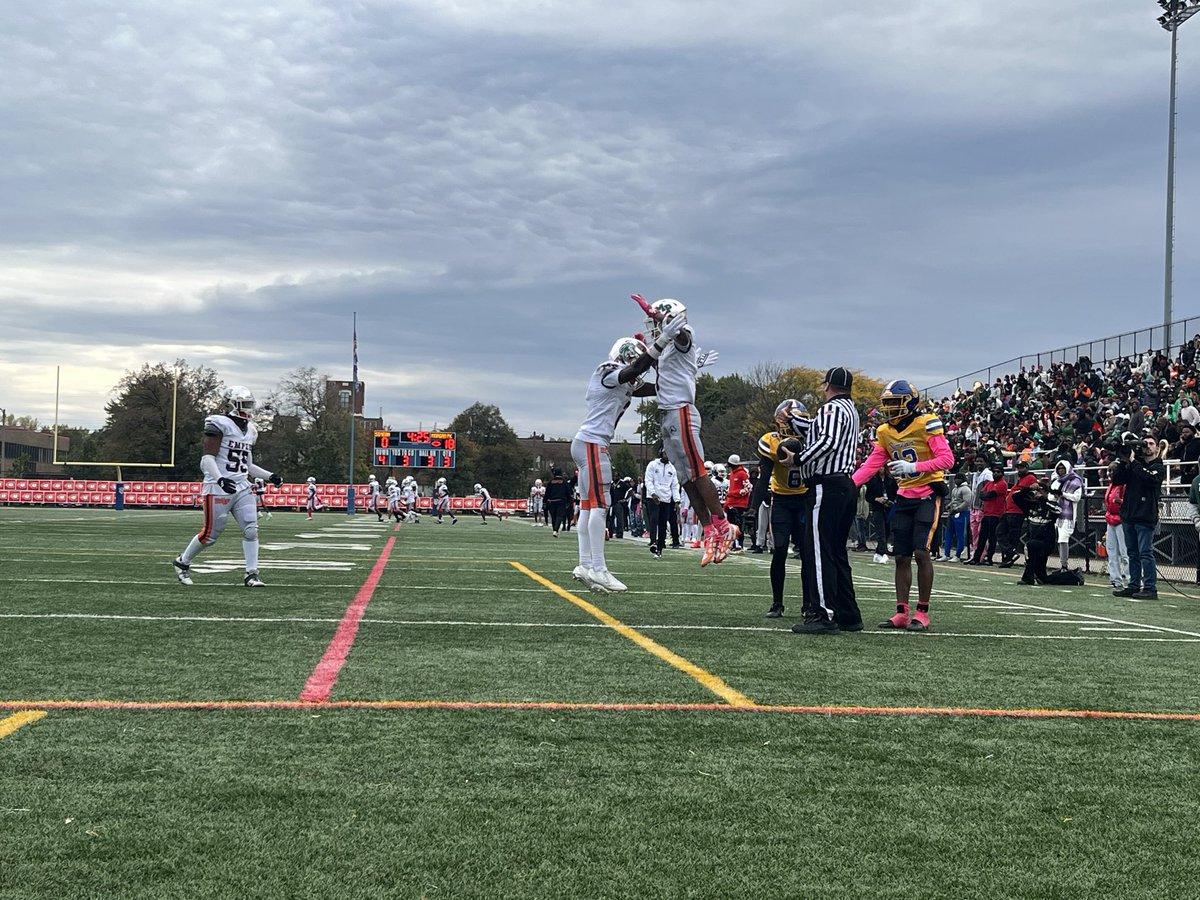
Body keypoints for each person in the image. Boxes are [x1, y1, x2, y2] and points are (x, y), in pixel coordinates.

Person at [626, 295, 736, 565]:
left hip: (682, 411)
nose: (654, 327)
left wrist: (665, 320)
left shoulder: (684, 338)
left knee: (698, 472)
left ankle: (724, 525)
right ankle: (709, 530)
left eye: (657, 320)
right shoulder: (665, 351)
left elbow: (684, 337)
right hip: (668, 414)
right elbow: (658, 379)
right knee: (686, 478)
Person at [852, 380, 955, 632]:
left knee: (921, 552)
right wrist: (849, 485)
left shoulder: (927, 422)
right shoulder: (885, 431)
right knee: (900, 556)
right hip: (905, 495)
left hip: (929, 493)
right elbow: (872, 464)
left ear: (910, 401)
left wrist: (914, 467)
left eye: (894, 403)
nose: (889, 408)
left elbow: (947, 459)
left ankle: (922, 612)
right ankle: (901, 612)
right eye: (886, 403)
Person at [778, 366, 863, 634]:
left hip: (826, 485)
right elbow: (817, 429)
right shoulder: (849, 409)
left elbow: (827, 440)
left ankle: (823, 614)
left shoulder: (831, 409)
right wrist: (794, 421)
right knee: (836, 551)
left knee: (818, 550)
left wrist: (798, 459)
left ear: (827, 386)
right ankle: (848, 613)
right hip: (844, 483)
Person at [172, 385, 282, 588]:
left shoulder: (250, 430)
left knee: (251, 529)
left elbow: (247, 466)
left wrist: (270, 476)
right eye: (244, 405)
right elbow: (207, 459)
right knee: (211, 535)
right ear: (231, 405)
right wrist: (221, 479)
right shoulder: (219, 424)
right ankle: (182, 562)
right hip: (217, 486)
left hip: (241, 486)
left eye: (250, 404)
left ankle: (251, 574)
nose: (248, 409)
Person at [570, 336, 657, 592]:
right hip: (593, 443)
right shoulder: (607, 370)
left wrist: (683, 367)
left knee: (587, 507)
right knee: (599, 506)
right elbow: (636, 369)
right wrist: (659, 344)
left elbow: (656, 386)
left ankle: (585, 564)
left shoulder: (623, 380)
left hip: (587, 442)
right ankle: (599, 568)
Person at [758, 399, 813, 619]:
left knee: (807, 554)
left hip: (804, 501)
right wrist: (753, 507)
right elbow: (763, 479)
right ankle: (777, 603)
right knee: (779, 549)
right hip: (781, 500)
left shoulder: (812, 442)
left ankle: (808, 603)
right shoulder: (771, 441)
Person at [1112, 437, 1167, 599]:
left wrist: (1133, 461)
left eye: (1151, 444)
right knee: (1132, 553)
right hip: (1129, 514)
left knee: (1145, 552)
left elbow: (1150, 478)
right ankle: (1134, 585)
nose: (1147, 447)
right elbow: (1117, 480)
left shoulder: (1158, 466)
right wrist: (1123, 461)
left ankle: (1150, 587)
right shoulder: (1135, 465)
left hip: (1145, 515)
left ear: (1157, 448)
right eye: (1145, 444)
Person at [1011, 476, 1059, 585]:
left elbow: (1058, 510)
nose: (1036, 493)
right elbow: (1015, 496)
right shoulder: (1030, 505)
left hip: (1045, 543)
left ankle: (1027, 578)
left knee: (1030, 545)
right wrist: (1028, 489)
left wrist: (1042, 498)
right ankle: (1073, 577)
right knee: (1043, 578)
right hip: (1034, 541)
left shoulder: (1049, 505)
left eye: (1039, 491)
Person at [998, 461, 1037, 567]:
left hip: (1017, 511)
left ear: (1027, 468)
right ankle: (1010, 553)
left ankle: (1009, 557)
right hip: (1009, 510)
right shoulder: (1020, 479)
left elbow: (1029, 493)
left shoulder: (1030, 478)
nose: (1019, 470)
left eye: (1022, 467)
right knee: (1000, 532)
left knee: (1012, 535)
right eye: (1018, 467)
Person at [969, 464, 1007, 566]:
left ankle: (989, 558)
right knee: (982, 537)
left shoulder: (1003, 484)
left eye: (998, 472)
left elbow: (990, 494)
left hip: (996, 514)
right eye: (994, 471)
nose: (995, 473)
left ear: (1002, 473)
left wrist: (987, 495)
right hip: (987, 513)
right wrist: (987, 495)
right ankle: (977, 557)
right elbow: (981, 494)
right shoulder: (990, 483)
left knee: (992, 537)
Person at [1050, 460, 1084, 570]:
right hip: (1056, 513)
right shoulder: (1056, 481)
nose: (1061, 471)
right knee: (1058, 538)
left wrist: (1063, 494)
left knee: (1063, 538)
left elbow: (1077, 497)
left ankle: (1064, 565)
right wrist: (1055, 495)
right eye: (1059, 468)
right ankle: (1061, 563)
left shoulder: (1076, 481)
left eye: (1063, 468)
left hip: (1068, 514)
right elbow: (1050, 496)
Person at [643, 448, 677, 559]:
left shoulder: (672, 468)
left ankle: (660, 546)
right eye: (665, 453)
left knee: (663, 523)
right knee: (654, 519)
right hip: (653, 497)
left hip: (666, 498)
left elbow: (675, 485)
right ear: (661, 453)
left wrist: (676, 500)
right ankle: (653, 541)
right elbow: (648, 480)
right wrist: (653, 494)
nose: (667, 456)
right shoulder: (653, 465)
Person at [1103, 469, 1128, 591]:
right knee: (1112, 551)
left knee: (1125, 552)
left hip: (1122, 520)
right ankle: (1115, 579)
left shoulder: (1125, 485)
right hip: (1110, 519)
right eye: (1110, 472)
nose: (1110, 474)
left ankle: (1132, 579)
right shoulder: (1111, 486)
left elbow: (1130, 502)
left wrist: (1121, 501)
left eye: (1113, 472)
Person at [942, 473, 972, 561]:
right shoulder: (955, 489)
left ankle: (957, 555)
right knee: (948, 533)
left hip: (962, 513)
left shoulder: (966, 489)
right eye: (955, 479)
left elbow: (967, 502)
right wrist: (949, 505)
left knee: (960, 534)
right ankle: (946, 554)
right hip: (953, 513)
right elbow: (954, 500)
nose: (956, 480)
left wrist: (957, 509)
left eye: (958, 479)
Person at [724, 454, 751, 551]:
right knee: (731, 525)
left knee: (738, 524)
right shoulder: (732, 474)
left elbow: (748, 488)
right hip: (731, 503)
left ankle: (739, 544)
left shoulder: (742, 474)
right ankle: (734, 544)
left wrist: (734, 493)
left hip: (739, 504)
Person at [544, 468, 573, 536]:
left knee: (553, 516)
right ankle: (556, 530)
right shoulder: (564, 481)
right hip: (561, 501)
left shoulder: (551, 481)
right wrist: (569, 500)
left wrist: (545, 501)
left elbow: (547, 492)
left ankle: (554, 529)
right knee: (559, 516)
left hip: (552, 501)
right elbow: (568, 492)